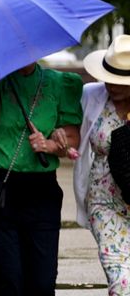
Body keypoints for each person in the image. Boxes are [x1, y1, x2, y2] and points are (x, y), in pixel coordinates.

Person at [0, 62, 82, 295]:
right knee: (8, 286)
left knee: (42, 286)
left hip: (41, 192)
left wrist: (52, 144)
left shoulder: (59, 83)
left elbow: (72, 138)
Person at [75, 35, 130, 295]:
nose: (111, 85)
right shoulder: (90, 96)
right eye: (108, 77)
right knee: (121, 282)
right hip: (104, 204)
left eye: (120, 81)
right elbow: (70, 130)